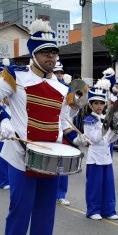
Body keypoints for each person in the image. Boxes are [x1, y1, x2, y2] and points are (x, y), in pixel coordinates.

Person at [0, 19, 85, 235]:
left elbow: (62, 122)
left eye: (54, 52)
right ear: (33, 54)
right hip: (20, 155)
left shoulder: (62, 87)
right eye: (45, 52)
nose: (51, 56)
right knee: (19, 211)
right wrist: (3, 120)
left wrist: (77, 138)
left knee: (45, 212)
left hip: (51, 157)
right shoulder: (15, 76)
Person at [83, 79, 118, 220]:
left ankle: (109, 210)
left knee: (108, 185)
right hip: (94, 158)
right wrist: (106, 125)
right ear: (90, 105)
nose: (99, 106)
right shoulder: (89, 120)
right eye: (96, 103)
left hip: (106, 157)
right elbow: (95, 138)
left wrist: (117, 130)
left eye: (101, 103)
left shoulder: (104, 118)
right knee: (95, 186)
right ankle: (93, 210)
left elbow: (109, 139)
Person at [54, 59, 72, 206]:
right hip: (50, 131)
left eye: (61, 72)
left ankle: (61, 194)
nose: (59, 75)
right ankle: (49, 193)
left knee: (64, 165)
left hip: (64, 130)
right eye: (56, 72)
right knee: (51, 165)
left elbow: (70, 113)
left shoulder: (67, 90)